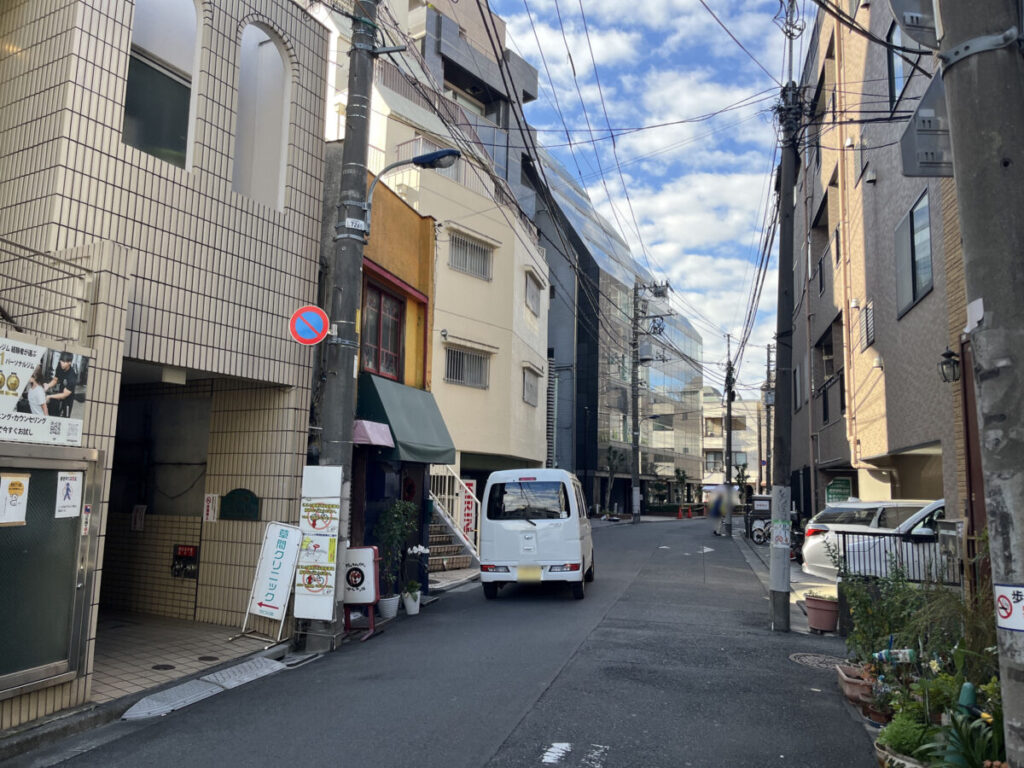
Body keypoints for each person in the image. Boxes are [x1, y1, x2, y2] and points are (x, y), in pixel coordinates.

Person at [45, 352, 78, 418]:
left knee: (65, 418)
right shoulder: (59, 366)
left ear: (69, 362)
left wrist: (49, 396)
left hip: (67, 399)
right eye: (61, 361)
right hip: (60, 394)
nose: (62, 363)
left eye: (64, 362)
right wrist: (48, 385)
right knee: (55, 414)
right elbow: (55, 380)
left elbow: (64, 395)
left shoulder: (72, 377)